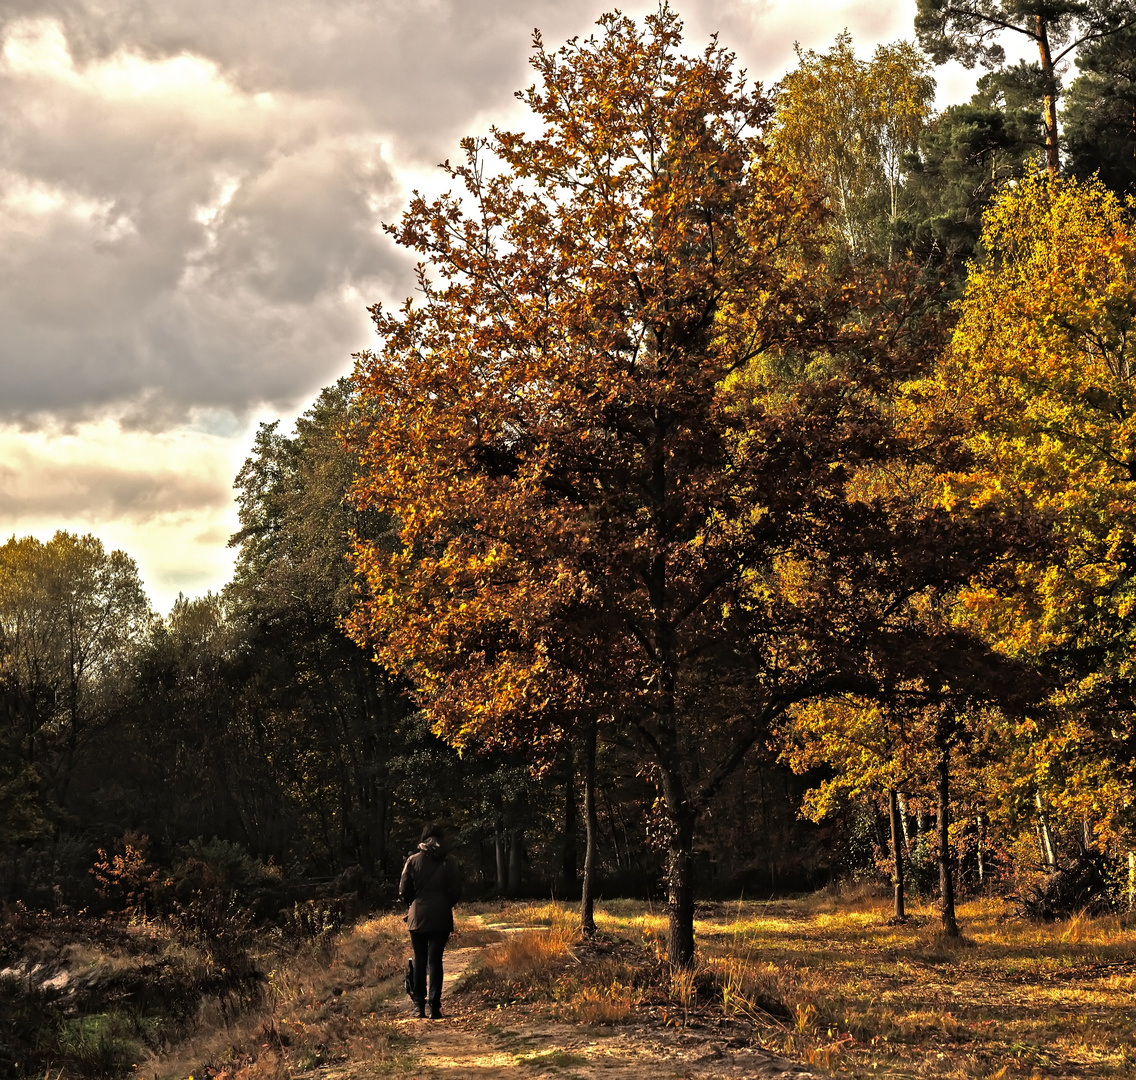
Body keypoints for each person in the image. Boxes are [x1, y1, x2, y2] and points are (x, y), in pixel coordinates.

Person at [399, 823, 462, 1018]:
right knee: (435, 962)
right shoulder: (448, 862)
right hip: (441, 916)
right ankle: (435, 1006)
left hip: (417, 916)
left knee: (420, 960)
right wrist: (445, 904)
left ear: (424, 838)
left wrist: (412, 904)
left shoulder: (412, 860)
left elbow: (403, 890)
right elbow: (457, 890)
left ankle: (419, 1005)